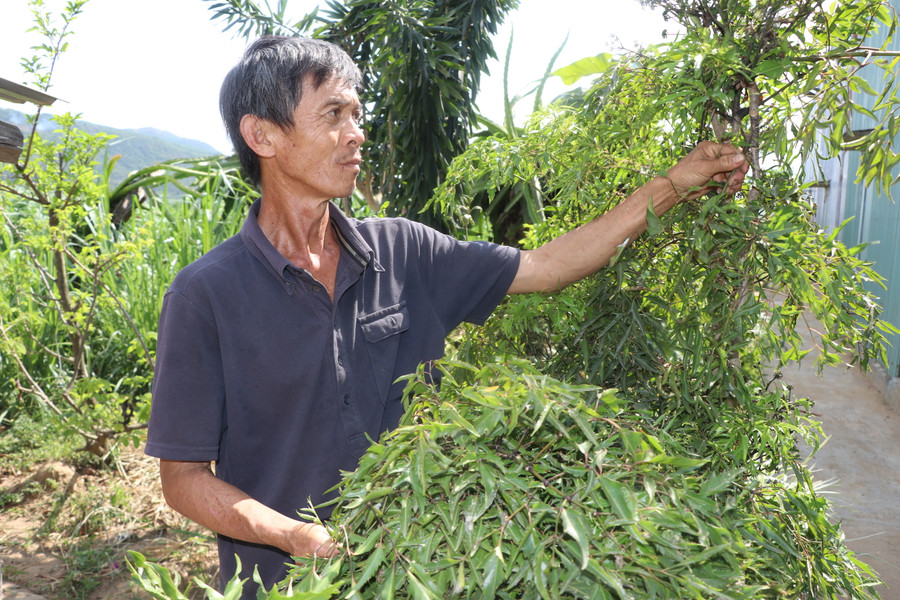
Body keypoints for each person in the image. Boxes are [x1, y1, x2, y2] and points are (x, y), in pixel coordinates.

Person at [145, 35, 748, 597]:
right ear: (263, 135)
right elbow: (185, 478)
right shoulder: (206, 295)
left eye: (357, 114)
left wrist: (673, 185)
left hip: (423, 573)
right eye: (333, 115)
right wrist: (294, 535)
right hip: (288, 584)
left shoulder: (403, 251)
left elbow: (548, 266)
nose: (357, 134)